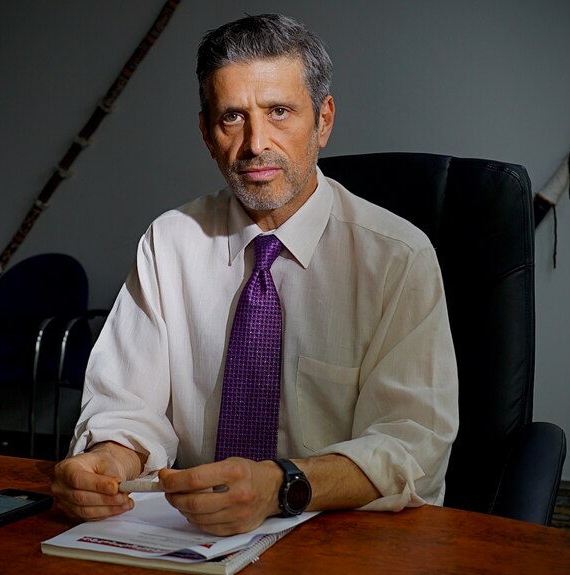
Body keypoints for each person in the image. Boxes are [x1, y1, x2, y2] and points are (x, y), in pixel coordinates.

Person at [51, 13, 458, 536]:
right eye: (232, 118)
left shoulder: (398, 259)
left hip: (341, 536)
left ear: (324, 120)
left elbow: (411, 445)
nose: (255, 145)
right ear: (206, 132)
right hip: (193, 537)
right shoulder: (168, 243)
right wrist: (108, 461)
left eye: (280, 112)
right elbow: (127, 405)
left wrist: (281, 485)